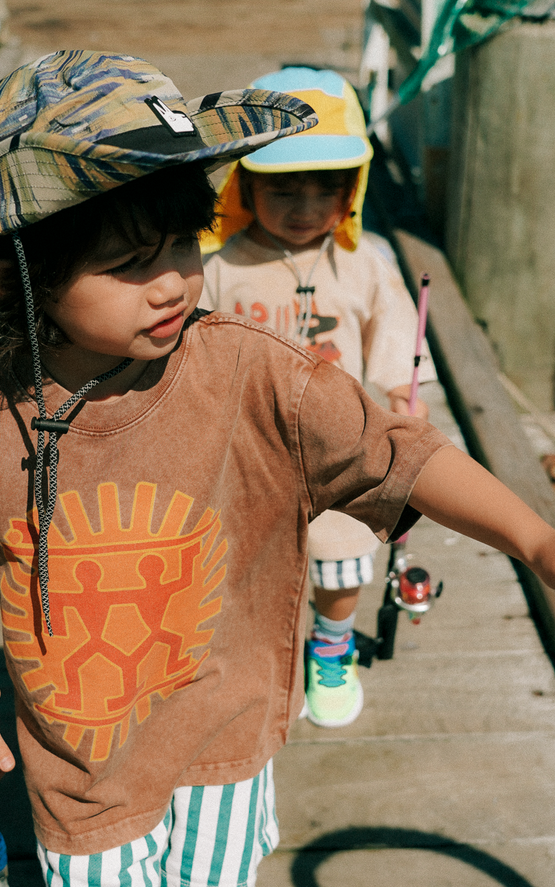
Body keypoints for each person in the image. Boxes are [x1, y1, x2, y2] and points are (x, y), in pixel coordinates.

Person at [0, 51, 555, 887]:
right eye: (131, 262)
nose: (172, 280)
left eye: (183, 242)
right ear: (15, 279)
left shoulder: (257, 373)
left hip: (223, 739)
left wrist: (540, 542)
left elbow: (401, 454)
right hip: (78, 768)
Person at [201, 66, 436, 728]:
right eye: (284, 187)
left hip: (340, 453)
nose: (304, 207)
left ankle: (331, 649)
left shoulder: (366, 263)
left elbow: (395, 335)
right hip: (244, 454)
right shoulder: (216, 264)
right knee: (243, 566)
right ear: (246, 184)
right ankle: (254, 658)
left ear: (351, 191)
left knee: (340, 563)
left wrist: (402, 398)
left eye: (324, 188)